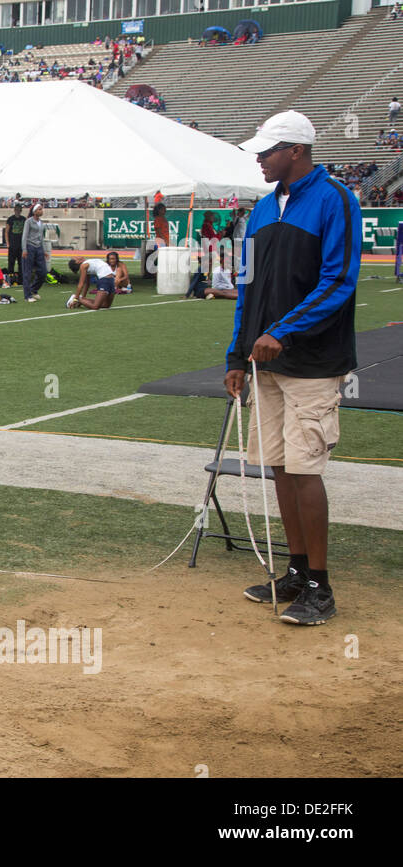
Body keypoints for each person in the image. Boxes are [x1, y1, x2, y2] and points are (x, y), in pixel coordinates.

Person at [228, 110, 361, 626]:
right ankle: (297, 571)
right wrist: (237, 354)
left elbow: (339, 280)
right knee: (280, 466)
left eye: (267, 150)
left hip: (313, 362)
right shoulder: (261, 209)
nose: (259, 158)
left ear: (297, 151)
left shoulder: (335, 199)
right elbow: (248, 287)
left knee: (305, 469)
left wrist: (281, 332)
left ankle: (321, 588)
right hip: (264, 364)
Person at [21, 204, 46, 302]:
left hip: (39, 248)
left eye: (41, 209)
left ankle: (34, 289)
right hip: (30, 247)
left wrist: (43, 250)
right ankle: (27, 296)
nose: (41, 211)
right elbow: (24, 236)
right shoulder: (29, 221)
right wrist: (24, 249)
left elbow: (41, 237)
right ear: (35, 211)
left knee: (43, 272)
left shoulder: (41, 223)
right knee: (27, 272)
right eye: (39, 209)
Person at [5, 203, 26, 279]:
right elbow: (6, 232)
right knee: (11, 262)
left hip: (21, 244)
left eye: (19, 210)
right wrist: (7, 243)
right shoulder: (10, 219)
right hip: (12, 244)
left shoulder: (24, 219)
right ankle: (10, 278)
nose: (18, 211)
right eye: (16, 210)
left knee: (21, 263)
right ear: (14, 210)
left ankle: (21, 278)